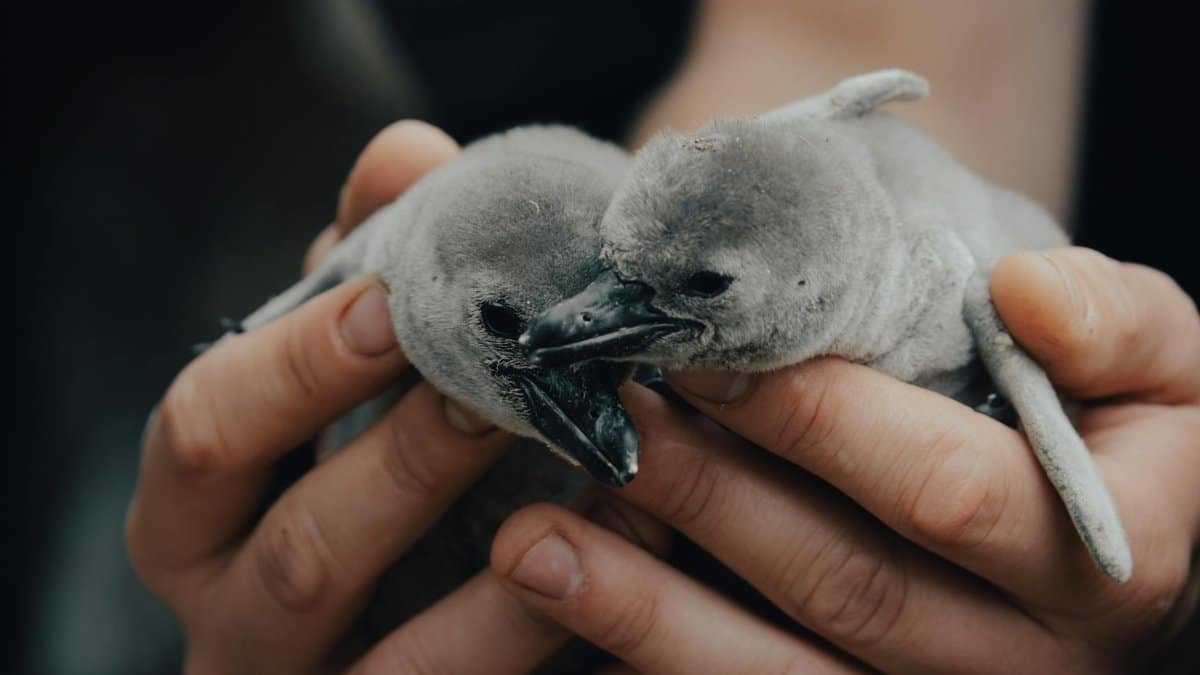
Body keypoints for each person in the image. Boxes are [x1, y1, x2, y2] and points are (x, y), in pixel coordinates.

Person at [126, 1, 1200, 672]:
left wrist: (1153, 607)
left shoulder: (924, 257)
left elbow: (865, 57)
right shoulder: (408, 254)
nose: (604, 343)